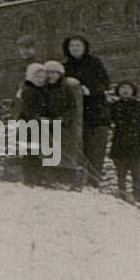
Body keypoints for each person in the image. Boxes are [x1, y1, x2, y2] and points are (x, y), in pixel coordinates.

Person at [62, 34, 111, 187]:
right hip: (75, 114)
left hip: (95, 112)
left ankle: (93, 182)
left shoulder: (94, 63)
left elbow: (105, 83)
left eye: (78, 45)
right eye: (72, 46)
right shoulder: (65, 67)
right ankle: (77, 181)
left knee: (95, 149)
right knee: (77, 148)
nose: (75, 48)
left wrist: (90, 90)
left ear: (84, 47)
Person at [42, 60, 84, 190]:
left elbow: (73, 107)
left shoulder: (67, 88)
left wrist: (63, 119)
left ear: (59, 74)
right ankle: (52, 180)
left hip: (66, 126)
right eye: (48, 72)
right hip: (48, 125)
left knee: (67, 152)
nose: (51, 75)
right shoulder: (43, 89)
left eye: (54, 72)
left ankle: (71, 182)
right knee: (50, 152)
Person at [108, 81, 140, 202]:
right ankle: (122, 199)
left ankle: (138, 200)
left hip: (136, 146)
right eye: (122, 88)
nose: (125, 90)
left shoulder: (139, 106)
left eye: (128, 88)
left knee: (136, 176)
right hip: (119, 145)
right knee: (120, 175)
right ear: (118, 91)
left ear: (133, 91)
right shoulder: (114, 106)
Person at [16, 62, 49, 186]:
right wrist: (39, 117)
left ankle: (37, 178)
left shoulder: (41, 90)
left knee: (37, 153)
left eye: (42, 77)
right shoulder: (28, 91)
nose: (40, 80)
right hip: (28, 126)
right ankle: (29, 179)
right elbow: (28, 110)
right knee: (30, 153)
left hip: (38, 126)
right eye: (37, 77)